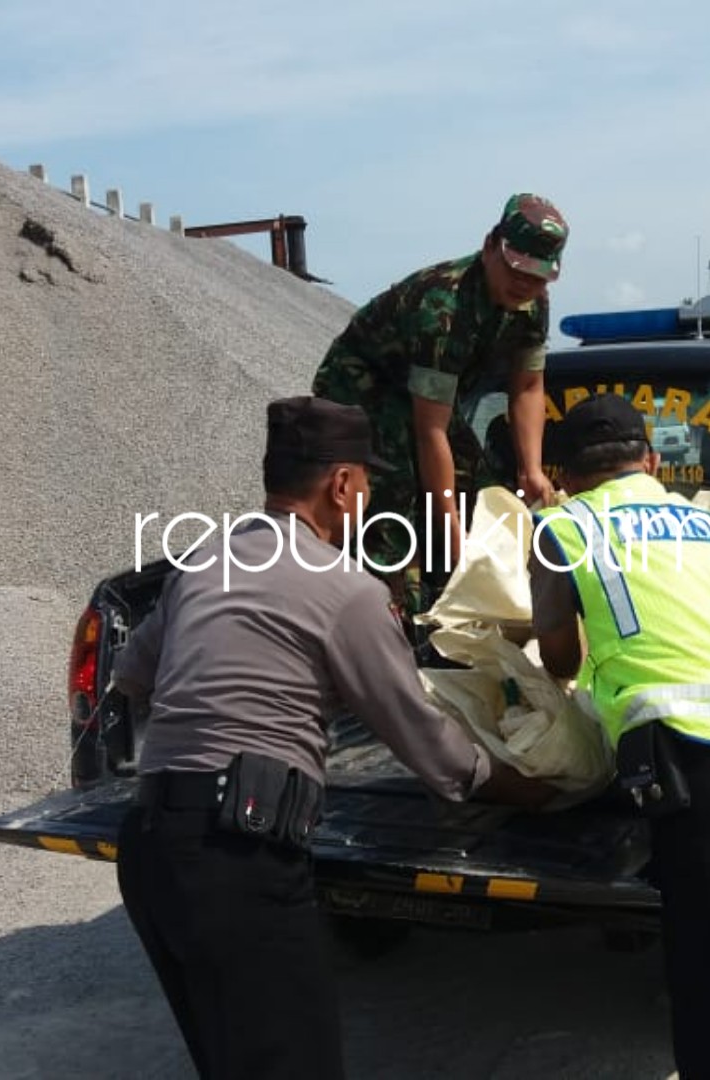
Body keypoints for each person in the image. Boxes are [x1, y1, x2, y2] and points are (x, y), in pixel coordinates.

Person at [111, 396, 555, 1080]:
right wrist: (521, 786)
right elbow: (424, 739)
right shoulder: (345, 587)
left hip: (149, 848)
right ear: (342, 485)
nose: (369, 496)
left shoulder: (205, 561)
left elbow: (132, 674)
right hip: (241, 855)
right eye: (368, 481)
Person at [529, 393, 710, 1080]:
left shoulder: (561, 526)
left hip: (697, 759)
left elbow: (560, 657)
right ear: (652, 461)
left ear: (562, 472)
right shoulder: (706, 522)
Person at [311, 193, 569, 623]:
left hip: (430, 397)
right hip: (363, 389)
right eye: (516, 270)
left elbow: (526, 386)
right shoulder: (443, 307)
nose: (525, 285)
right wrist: (453, 541)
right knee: (395, 495)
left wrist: (532, 469)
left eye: (539, 278)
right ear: (490, 246)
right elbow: (430, 430)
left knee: (485, 490)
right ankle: (389, 609)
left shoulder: (531, 305)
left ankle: (459, 598)